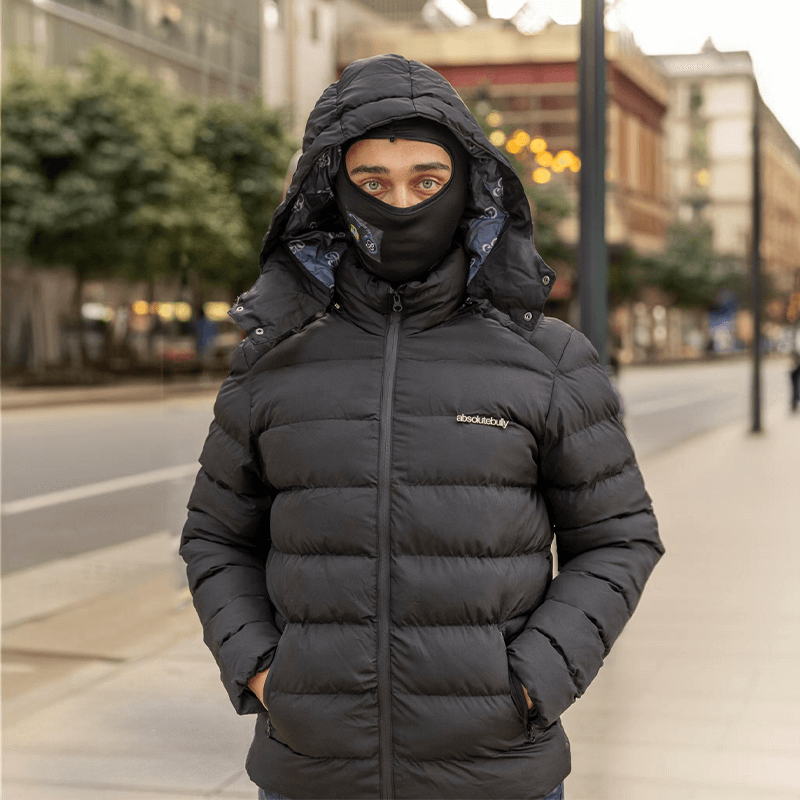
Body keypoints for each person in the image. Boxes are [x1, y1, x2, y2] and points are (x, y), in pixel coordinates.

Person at [180, 54, 664, 800]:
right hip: (309, 771)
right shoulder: (272, 359)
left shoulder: (550, 357)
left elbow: (618, 536)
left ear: (466, 186)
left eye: (426, 181)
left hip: (497, 773)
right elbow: (216, 536)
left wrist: (531, 684)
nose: (399, 203)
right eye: (372, 183)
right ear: (333, 193)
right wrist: (264, 671)